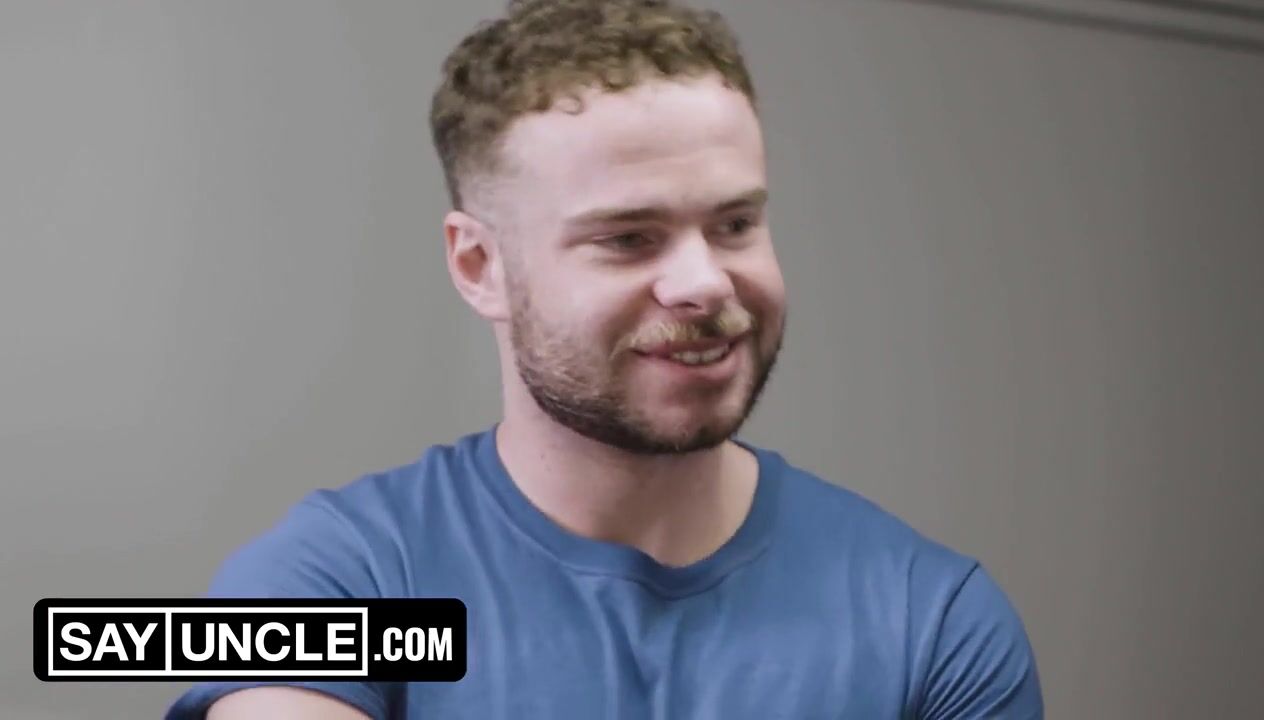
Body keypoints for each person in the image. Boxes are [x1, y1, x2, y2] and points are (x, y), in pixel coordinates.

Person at [166, 0, 1043, 717]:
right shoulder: (330, 584)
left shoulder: (930, 621)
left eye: (735, 224)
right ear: (480, 266)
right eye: (629, 238)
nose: (704, 283)